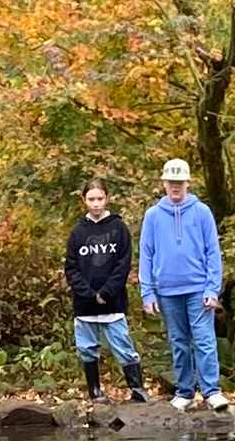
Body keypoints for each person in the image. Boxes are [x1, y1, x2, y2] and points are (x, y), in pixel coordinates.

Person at [136, 157, 225, 407]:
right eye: (171, 182)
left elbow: (212, 252)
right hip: (167, 290)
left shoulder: (202, 212)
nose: (176, 187)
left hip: (198, 288)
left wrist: (212, 287)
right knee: (178, 341)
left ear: (187, 183)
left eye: (180, 182)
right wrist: (148, 293)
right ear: (164, 183)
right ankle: (184, 392)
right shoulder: (153, 215)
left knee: (204, 340)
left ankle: (211, 391)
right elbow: (146, 253)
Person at [62, 176, 146, 402]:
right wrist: (89, 294)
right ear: (84, 200)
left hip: (113, 301)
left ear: (107, 198)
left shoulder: (118, 228)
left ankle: (137, 390)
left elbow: (123, 264)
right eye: (91, 199)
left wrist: (106, 292)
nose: (96, 203)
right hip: (84, 304)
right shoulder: (77, 232)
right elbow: (71, 268)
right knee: (87, 348)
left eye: (100, 198)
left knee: (123, 346)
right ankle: (95, 392)